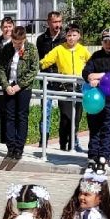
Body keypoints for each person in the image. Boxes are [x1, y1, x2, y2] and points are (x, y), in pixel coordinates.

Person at [80, 28, 110, 169]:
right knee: (94, 128)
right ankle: (92, 156)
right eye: (105, 41)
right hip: (95, 98)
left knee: (107, 129)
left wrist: (99, 76)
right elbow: (86, 71)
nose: (108, 44)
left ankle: (104, 157)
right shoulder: (96, 56)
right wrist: (90, 77)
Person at [39, 24, 89, 152]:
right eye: (69, 35)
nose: (71, 38)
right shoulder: (59, 49)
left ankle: (73, 144)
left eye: (74, 35)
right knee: (66, 117)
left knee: (76, 118)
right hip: (64, 87)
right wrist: (35, 67)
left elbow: (92, 64)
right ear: (65, 36)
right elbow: (45, 61)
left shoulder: (83, 50)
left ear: (79, 36)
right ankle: (63, 144)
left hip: (79, 87)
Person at [0, 25, 38, 167]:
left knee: (21, 116)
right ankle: (10, 147)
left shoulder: (31, 49)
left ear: (24, 39)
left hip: (23, 88)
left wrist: (19, 85)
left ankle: (19, 148)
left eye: (19, 43)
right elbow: (1, 67)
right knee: (9, 116)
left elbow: (34, 69)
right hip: (9, 86)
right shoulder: (7, 48)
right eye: (14, 42)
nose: (16, 45)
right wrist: (6, 85)